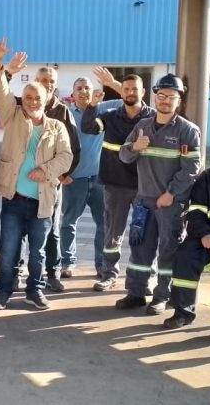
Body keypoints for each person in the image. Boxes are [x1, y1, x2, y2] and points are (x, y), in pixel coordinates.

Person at [0, 39, 73, 310]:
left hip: (43, 200)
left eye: (38, 97)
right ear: (22, 100)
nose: (33, 101)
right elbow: (0, 90)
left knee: (37, 252)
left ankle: (34, 291)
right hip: (14, 197)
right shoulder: (11, 115)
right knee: (8, 249)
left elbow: (66, 157)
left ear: (47, 99)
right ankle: (3, 291)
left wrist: (45, 171)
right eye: (28, 97)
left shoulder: (57, 127)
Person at [116, 73, 201, 315]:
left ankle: (162, 296)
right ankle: (136, 293)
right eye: (161, 95)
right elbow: (123, 155)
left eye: (171, 96)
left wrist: (171, 193)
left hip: (171, 204)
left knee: (168, 252)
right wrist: (135, 147)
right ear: (155, 97)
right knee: (140, 250)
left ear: (179, 100)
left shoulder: (187, 131)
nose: (165, 100)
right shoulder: (142, 126)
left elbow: (192, 169)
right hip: (144, 202)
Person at [81, 69, 155, 291]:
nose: (130, 93)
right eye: (126, 89)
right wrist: (92, 106)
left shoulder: (153, 118)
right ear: (121, 92)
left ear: (143, 92)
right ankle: (109, 275)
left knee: (145, 234)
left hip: (145, 186)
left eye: (135, 89)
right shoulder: (110, 115)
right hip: (115, 185)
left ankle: (144, 278)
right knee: (112, 234)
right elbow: (88, 127)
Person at [59, 77, 122, 280]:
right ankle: (67, 262)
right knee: (68, 222)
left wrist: (112, 83)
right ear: (73, 93)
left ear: (93, 91)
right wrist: (61, 174)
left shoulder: (103, 109)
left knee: (103, 223)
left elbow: (131, 99)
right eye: (79, 88)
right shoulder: (65, 114)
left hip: (100, 179)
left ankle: (101, 264)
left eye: (87, 88)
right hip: (73, 179)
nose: (83, 91)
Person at [163, 136, 210, 329]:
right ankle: (183, 313)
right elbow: (196, 211)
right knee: (185, 255)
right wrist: (205, 234)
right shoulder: (207, 177)